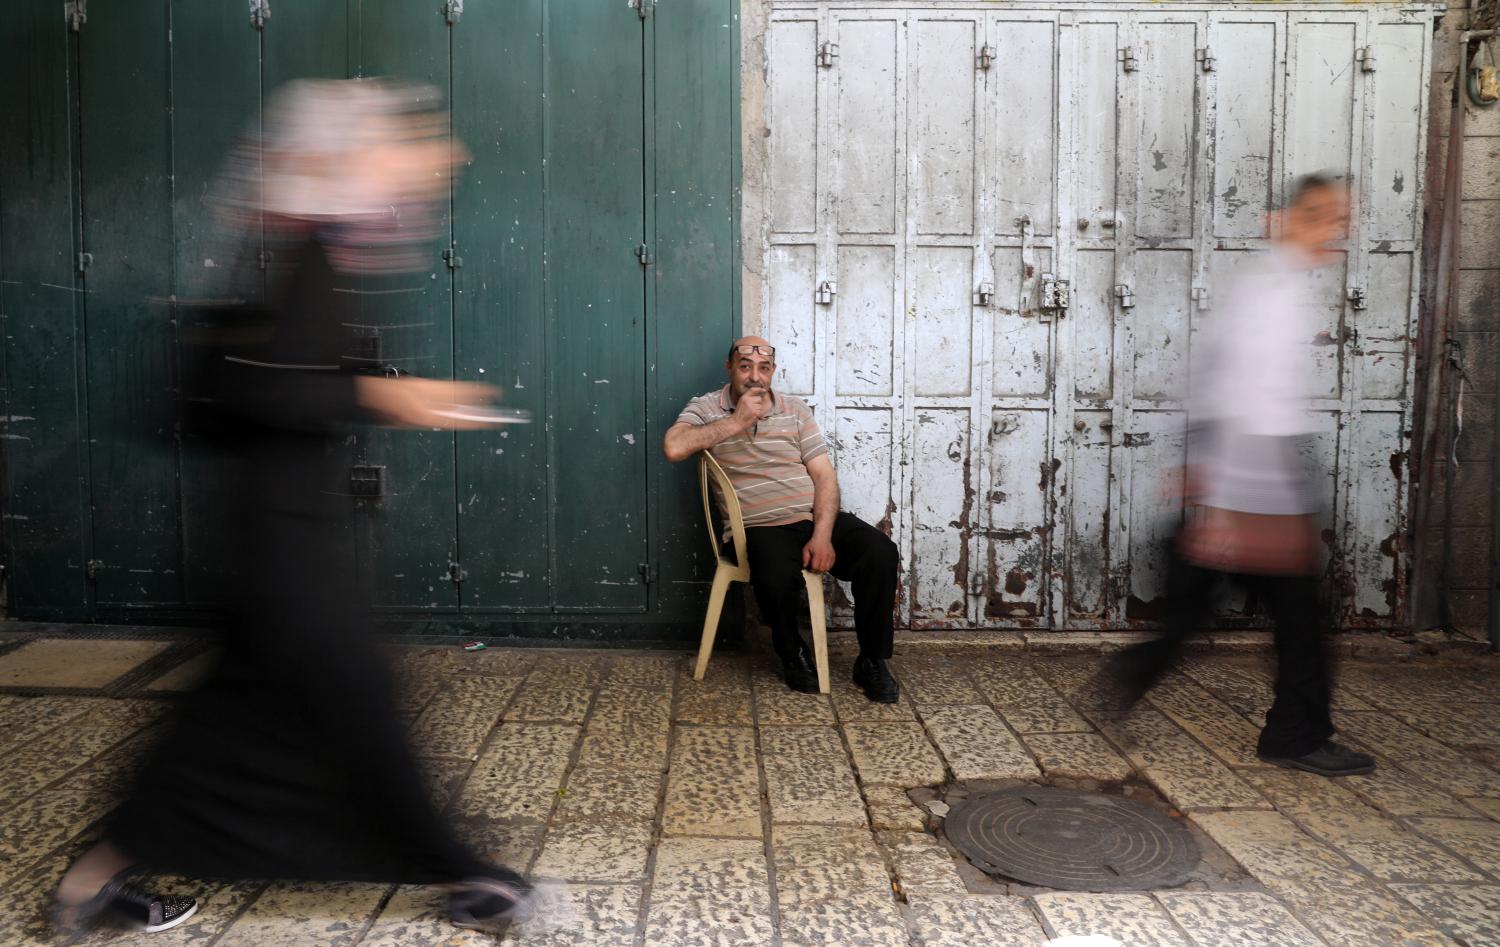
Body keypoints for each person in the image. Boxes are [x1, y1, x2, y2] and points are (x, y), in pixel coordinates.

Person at [50, 80, 531, 935]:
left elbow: (292, 379)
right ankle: (462, 869)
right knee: (348, 692)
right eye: (402, 147)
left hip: (283, 527)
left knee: (247, 707)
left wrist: (381, 391)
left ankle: (95, 879)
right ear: (344, 162)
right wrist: (397, 398)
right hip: (281, 537)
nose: (431, 162)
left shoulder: (309, 248)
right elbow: (270, 394)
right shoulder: (302, 252)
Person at [1099, 174, 1375, 778]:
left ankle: (1131, 677)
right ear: (1291, 219)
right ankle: (1294, 735)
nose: (1339, 228)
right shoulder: (1269, 292)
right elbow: (1236, 392)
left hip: (1257, 475)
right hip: (1258, 479)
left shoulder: (1278, 286)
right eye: (1327, 215)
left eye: (1342, 217)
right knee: (1300, 619)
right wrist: (1220, 499)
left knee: (1207, 609)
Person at [663, 337, 901, 702]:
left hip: (812, 515)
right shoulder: (707, 407)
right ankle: (792, 652)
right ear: (730, 368)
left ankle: (871, 660)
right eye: (745, 366)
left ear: (773, 370)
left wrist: (822, 534)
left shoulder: (794, 409)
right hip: (758, 525)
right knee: (774, 576)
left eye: (763, 368)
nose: (754, 376)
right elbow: (674, 447)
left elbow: (824, 476)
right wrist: (737, 421)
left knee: (880, 552)